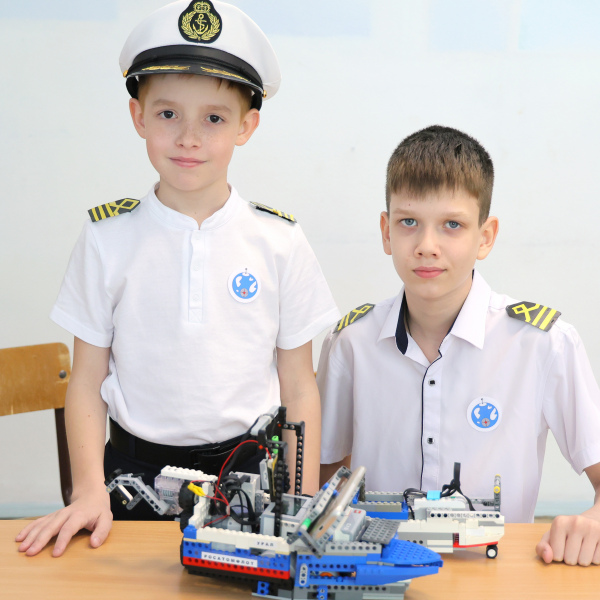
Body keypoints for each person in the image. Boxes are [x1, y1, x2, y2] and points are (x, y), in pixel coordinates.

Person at [16, 0, 339, 557]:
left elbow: (298, 385)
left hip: (247, 483)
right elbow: (88, 380)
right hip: (129, 483)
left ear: (246, 126)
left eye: (214, 118)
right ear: (138, 116)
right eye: (168, 114)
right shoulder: (106, 238)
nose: (189, 137)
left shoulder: (279, 241)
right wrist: (88, 489)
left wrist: (301, 500)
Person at [317, 125, 600, 567]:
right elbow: (320, 485)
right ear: (386, 231)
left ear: (485, 236)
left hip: (498, 578)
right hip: (380, 574)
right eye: (408, 222)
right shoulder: (350, 343)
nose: (426, 246)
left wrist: (593, 521)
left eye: (452, 225)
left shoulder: (544, 345)